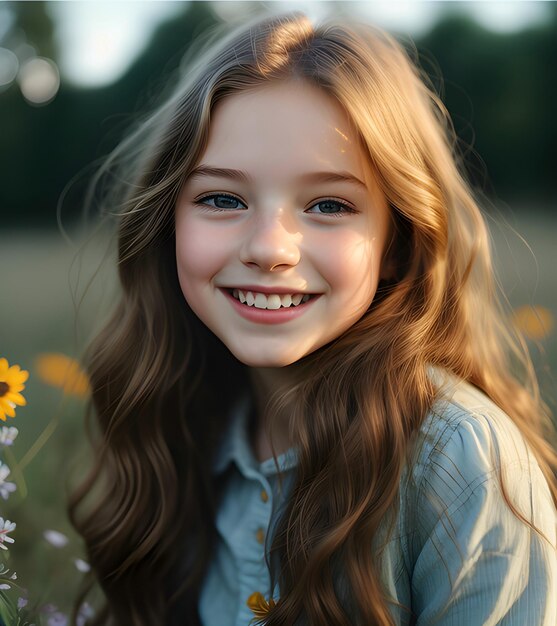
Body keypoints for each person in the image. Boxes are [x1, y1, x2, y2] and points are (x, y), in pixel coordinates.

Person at [68, 9, 557, 626]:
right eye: (222, 198)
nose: (270, 248)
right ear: (167, 224)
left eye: (329, 204)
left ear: (397, 242)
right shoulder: (182, 427)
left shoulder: (456, 459)